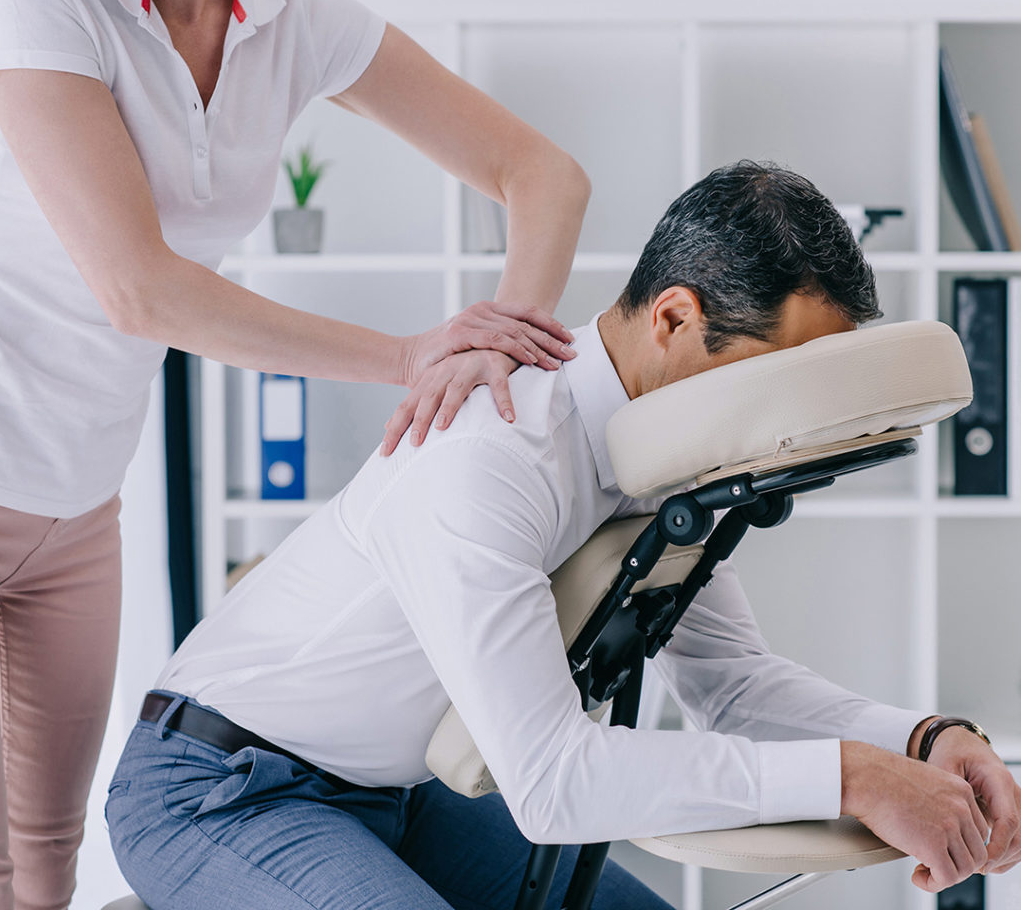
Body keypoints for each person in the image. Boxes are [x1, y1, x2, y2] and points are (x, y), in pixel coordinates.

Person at [105, 162, 1021, 909]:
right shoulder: (491, 453)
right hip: (222, 790)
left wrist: (922, 740)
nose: (778, 421)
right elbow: (551, 783)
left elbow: (732, 684)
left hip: (394, 796)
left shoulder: (664, 461)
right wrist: (851, 778)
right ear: (674, 317)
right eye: (769, 378)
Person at [0, 0, 588, 907]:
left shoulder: (293, 18)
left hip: (80, 508)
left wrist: (497, 354)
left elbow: (543, 174)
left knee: (43, 855)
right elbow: (138, 288)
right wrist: (409, 355)